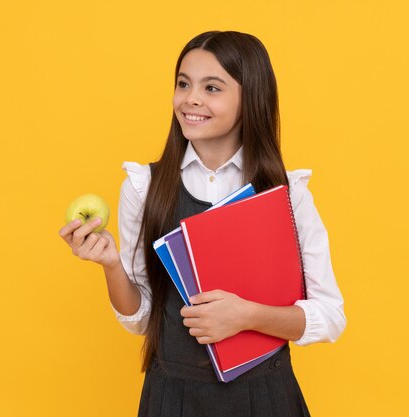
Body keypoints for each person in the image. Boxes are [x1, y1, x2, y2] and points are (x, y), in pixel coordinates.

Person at [59, 30, 346, 417]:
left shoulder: (287, 194)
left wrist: (246, 316)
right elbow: (141, 320)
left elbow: (330, 316)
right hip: (172, 398)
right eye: (183, 84)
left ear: (251, 99)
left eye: (212, 87)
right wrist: (110, 264)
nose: (190, 98)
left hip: (265, 399)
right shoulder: (144, 187)